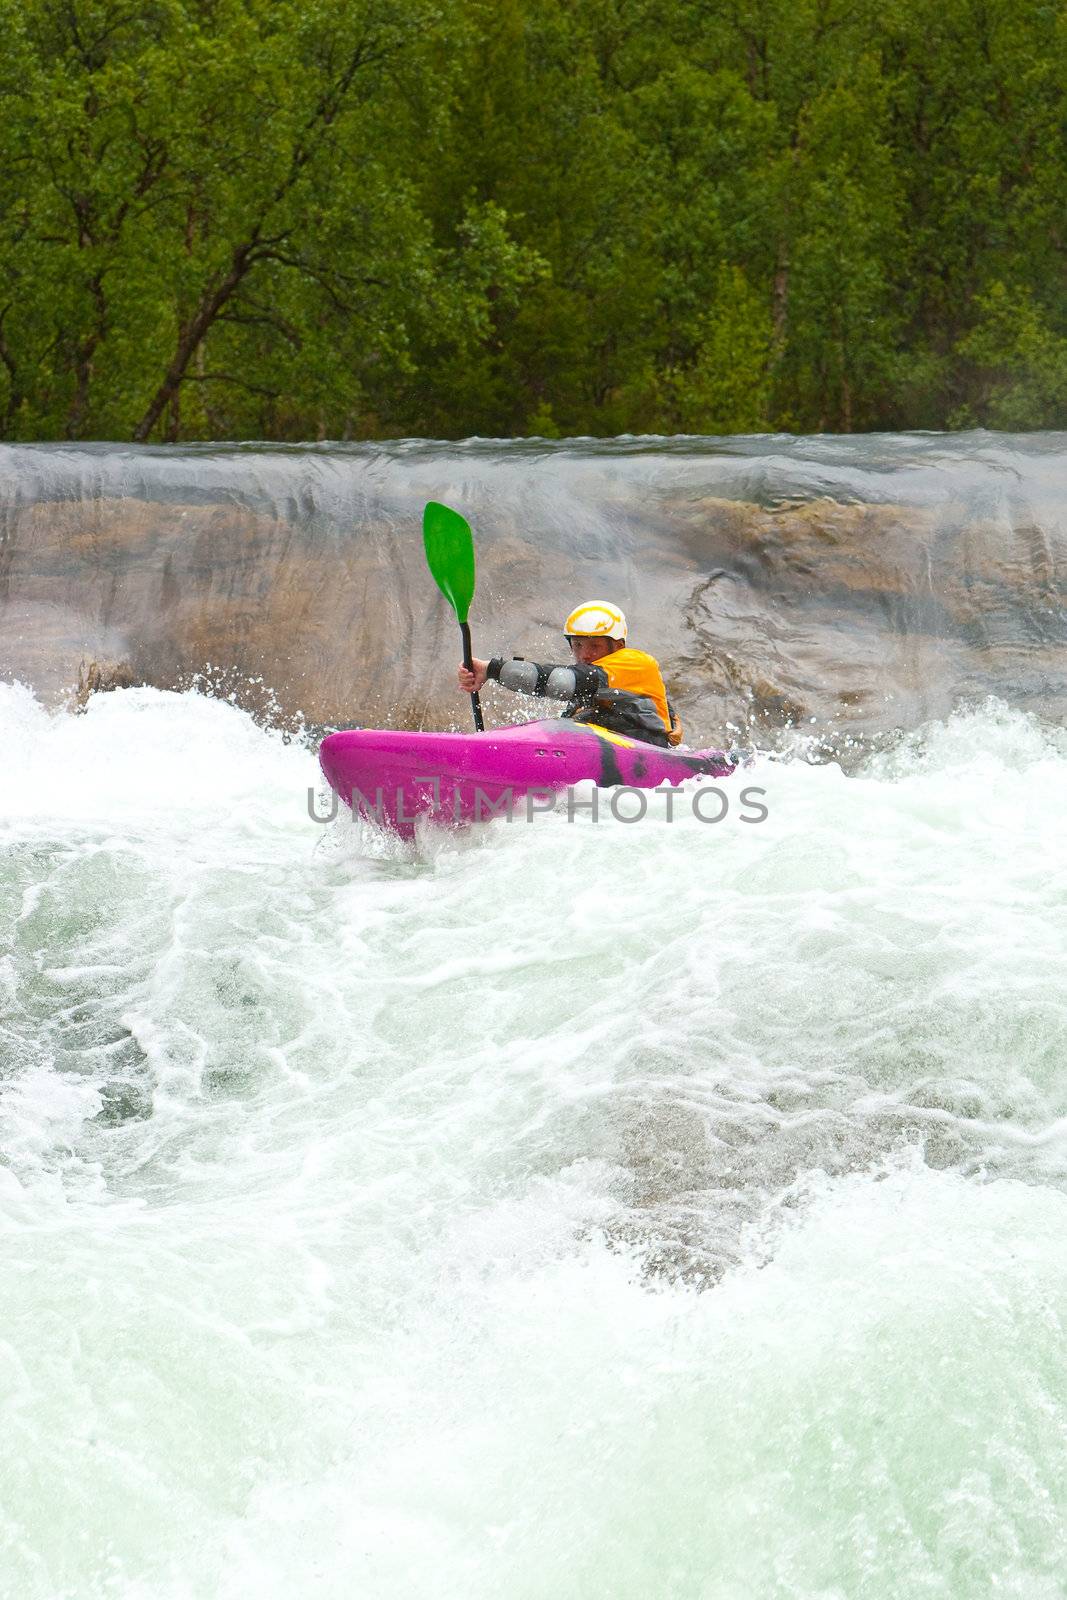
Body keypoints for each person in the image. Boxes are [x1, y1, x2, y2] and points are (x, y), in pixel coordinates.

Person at [457, 600, 683, 747]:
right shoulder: (588, 688)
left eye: (595, 646)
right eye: (578, 645)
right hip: (611, 757)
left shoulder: (635, 662)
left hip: (650, 751)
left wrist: (491, 669)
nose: (584, 655)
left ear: (618, 646)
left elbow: (560, 682)